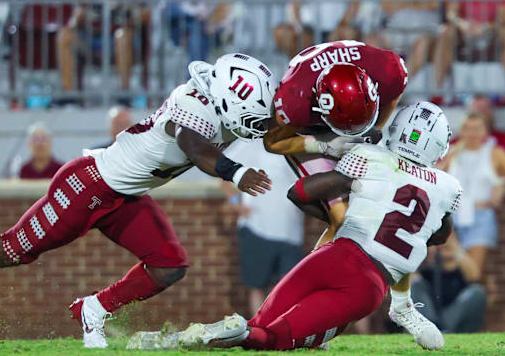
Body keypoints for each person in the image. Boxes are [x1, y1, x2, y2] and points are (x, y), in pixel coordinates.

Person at [0, 53, 277, 348]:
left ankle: (93, 309)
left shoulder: (221, 107)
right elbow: (194, 147)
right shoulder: (191, 105)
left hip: (124, 196)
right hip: (88, 186)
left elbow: (275, 129)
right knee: (13, 249)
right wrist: (237, 172)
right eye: (253, 116)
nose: (258, 124)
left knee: (169, 265)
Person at [128, 102, 462, 351]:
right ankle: (226, 335)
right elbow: (441, 235)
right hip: (368, 283)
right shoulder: (446, 187)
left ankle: (168, 341)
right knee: (268, 339)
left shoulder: (372, 157)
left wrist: (350, 203)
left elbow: (300, 192)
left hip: (333, 254)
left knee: (259, 324)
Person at [262, 40, 444, 350]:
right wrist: (320, 145)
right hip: (313, 136)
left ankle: (401, 305)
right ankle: (313, 318)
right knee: (344, 220)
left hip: (362, 125)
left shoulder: (388, 71)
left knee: (388, 215)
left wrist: (372, 129)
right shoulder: (295, 98)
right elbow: (272, 142)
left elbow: (393, 95)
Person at [222, 140, 304, 317]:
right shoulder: (252, 143)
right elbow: (224, 173)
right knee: (256, 284)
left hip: (292, 231)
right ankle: (259, 327)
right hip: (257, 227)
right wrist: (236, 204)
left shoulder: (299, 143)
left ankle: (280, 327)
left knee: (287, 285)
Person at [437, 113, 505, 273]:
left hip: (480, 214)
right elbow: (435, 175)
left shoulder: (494, 152)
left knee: (474, 270)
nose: (472, 133)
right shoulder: (453, 152)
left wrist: (501, 184)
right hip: (454, 215)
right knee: (450, 269)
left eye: (477, 129)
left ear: (485, 132)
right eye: (468, 129)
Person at [57, 0, 150, 93]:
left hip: (126, 36)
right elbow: (79, 10)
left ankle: (123, 93)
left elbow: (147, 10)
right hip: (93, 36)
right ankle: (68, 94)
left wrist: (131, 16)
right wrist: (81, 18)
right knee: (65, 35)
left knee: (122, 36)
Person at [378, 0, 450, 79]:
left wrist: (401, 2)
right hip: (395, 29)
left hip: (426, 30)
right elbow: (385, 5)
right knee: (372, 42)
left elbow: (435, 3)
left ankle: (400, 88)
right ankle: (376, 91)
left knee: (423, 44)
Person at [411, 233, 487, 333]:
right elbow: (410, 278)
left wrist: (455, 250)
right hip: (429, 313)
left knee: (477, 291)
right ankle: (430, 329)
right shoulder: (428, 263)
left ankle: (441, 330)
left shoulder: (460, 261)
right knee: (415, 284)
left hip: (454, 312)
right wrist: (427, 252)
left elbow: (475, 275)